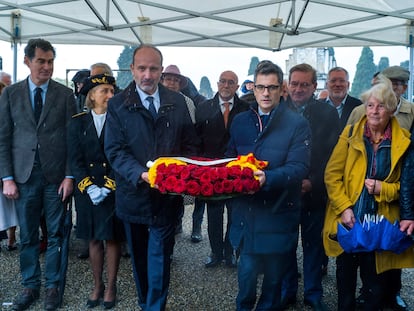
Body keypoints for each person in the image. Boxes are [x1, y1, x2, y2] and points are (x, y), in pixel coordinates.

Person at [104, 44, 199, 311]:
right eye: (142, 68)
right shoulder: (118, 105)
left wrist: (183, 175)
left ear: (161, 69)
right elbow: (115, 150)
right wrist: (141, 174)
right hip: (133, 196)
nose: (147, 75)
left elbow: (190, 146)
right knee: (140, 260)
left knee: (159, 257)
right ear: (132, 69)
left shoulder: (177, 102)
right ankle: (146, 302)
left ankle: (154, 306)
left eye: (153, 68)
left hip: (167, 198)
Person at [322, 77, 414, 311]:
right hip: (350, 221)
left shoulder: (403, 142)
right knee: (345, 284)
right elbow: (332, 175)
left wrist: (383, 188)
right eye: (370, 105)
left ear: (391, 110)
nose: (374, 111)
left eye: (381, 106)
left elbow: (406, 186)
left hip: (379, 227)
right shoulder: (351, 133)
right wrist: (343, 207)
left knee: (375, 289)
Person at [226, 60, 311, 310]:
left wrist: (267, 178)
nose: (266, 93)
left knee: (273, 287)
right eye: (261, 87)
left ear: (281, 89)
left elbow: (299, 168)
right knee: (246, 280)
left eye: (272, 88)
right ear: (253, 88)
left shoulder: (297, 124)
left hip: (278, 214)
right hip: (246, 214)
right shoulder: (240, 121)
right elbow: (230, 158)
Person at [0, 38, 76, 311]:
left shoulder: (65, 95)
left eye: (50, 61)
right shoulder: (10, 94)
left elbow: (72, 139)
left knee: (56, 234)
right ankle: (30, 286)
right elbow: (3, 137)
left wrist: (69, 176)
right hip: (23, 177)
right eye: (41, 61)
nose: (46, 67)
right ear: (27, 61)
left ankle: (53, 287)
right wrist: (6, 177)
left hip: (55, 178)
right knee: (28, 234)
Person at [282, 63, 340, 311]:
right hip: (284, 191)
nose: (298, 89)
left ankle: (313, 293)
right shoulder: (278, 111)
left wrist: (313, 181)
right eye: (294, 83)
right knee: (286, 243)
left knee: (313, 245)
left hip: (314, 191)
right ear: (287, 84)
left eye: (304, 84)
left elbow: (332, 154)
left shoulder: (327, 114)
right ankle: (287, 291)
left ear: (314, 87)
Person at [68, 73, 123, 309]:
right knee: (93, 238)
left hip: (112, 189)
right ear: (92, 95)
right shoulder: (78, 121)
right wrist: (88, 187)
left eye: (112, 91)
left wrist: (108, 186)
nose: (110, 95)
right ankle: (97, 284)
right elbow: (74, 158)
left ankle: (111, 286)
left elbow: (122, 156)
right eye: (104, 91)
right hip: (87, 190)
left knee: (112, 238)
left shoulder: (120, 121)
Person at [195, 70, 250, 268]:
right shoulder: (203, 107)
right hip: (211, 172)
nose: (226, 85)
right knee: (214, 215)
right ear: (218, 84)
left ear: (237, 86)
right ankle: (215, 252)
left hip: (236, 172)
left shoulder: (246, 109)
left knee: (235, 215)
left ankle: (230, 251)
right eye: (223, 82)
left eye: (231, 82)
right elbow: (196, 139)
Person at [160, 64, 196, 238]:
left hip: (179, 157)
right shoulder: (155, 98)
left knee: (176, 196)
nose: (171, 83)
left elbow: (191, 129)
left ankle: (176, 224)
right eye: (168, 79)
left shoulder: (186, 101)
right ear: (162, 80)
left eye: (175, 80)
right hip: (157, 158)